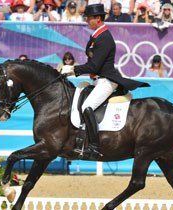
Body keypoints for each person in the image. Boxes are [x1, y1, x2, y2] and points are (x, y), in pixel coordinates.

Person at [60, 4, 149, 159]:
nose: (87, 20)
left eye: (89, 18)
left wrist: (73, 69)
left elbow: (95, 65)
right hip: (97, 80)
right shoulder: (96, 36)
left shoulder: (105, 38)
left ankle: (94, 147)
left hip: (107, 81)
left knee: (87, 106)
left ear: (98, 19)